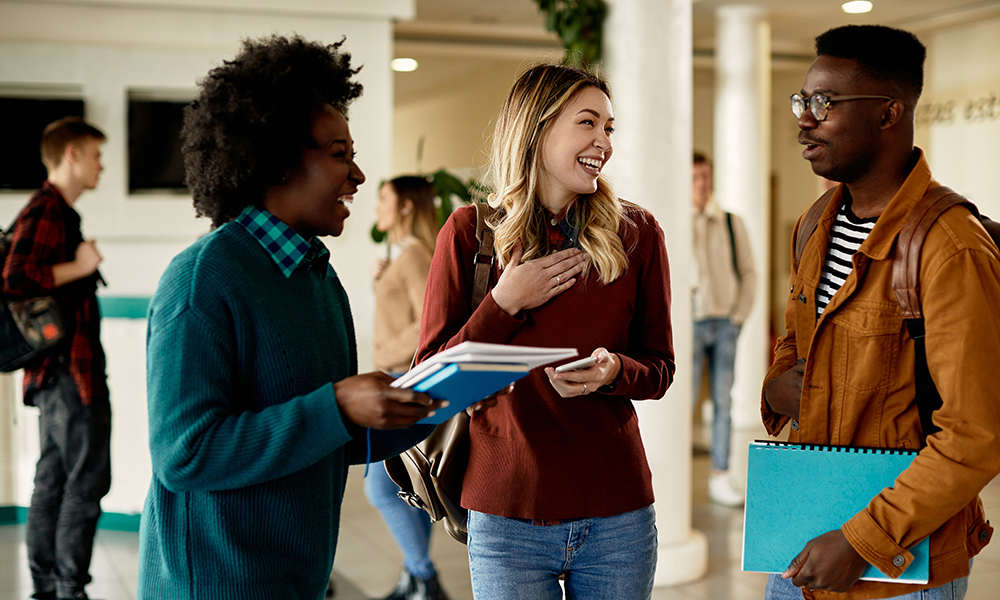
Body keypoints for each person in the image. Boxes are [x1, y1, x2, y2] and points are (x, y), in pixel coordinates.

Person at [137, 35, 451, 600]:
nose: (357, 176)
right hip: (213, 588)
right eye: (339, 154)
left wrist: (441, 400)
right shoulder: (201, 281)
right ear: (278, 158)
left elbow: (332, 440)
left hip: (299, 580)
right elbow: (184, 455)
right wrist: (337, 404)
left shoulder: (318, 279)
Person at [416, 64, 674, 600]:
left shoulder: (638, 233)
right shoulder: (470, 234)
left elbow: (659, 368)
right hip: (505, 514)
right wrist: (503, 303)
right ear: (537, 128)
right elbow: (430, 387)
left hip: (617, 512)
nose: (603, 142)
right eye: (588, 123)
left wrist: (613, 371)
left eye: (609, 127)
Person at [762, 24, 1000, 600]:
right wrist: (775, 390)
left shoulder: (950, 247)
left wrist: (862, 542)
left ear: (889, 113)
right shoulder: (814, 223)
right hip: (799, 544)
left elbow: (975, 435)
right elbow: (794, 351)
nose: (805, 119)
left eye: (825, 103)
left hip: (898, 566)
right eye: (802, 101)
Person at [2, 116, 109, 600]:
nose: (101, 165)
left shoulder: (54, 211)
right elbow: (16, 276)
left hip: (55, 373)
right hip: (70, 373)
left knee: (54, 478)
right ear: (71, 155)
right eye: (95, 155)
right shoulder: (48, 209)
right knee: (83, 480)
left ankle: (49, 587)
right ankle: (68, 588)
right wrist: (80, 266)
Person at [366, 175, 450, 600]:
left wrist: (383, 353)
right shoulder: (405, 256)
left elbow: (427, 324)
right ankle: (416, 577)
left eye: (384, 198)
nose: (375, 205)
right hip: (400, 378)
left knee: (380, 485)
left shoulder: (416, 256)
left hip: (405, 380)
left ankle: (424, 577)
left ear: (405, 207)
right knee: (400, 486)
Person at [690, 150, 756, 507]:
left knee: (723, 402)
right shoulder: (677, 222)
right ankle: (676, 476)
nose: (702, 184)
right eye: (695, 178)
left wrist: (739, 317)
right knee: (681, 401)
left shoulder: (731, 223)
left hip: (725, 324)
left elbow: (749, 273)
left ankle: (720, 474)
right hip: (690, 325)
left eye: (706, 177)